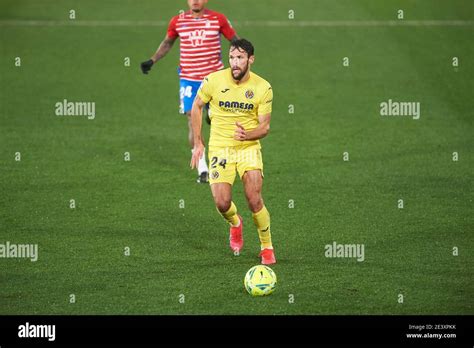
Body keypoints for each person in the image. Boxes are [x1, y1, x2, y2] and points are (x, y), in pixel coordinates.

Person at [190, 39, 276, 265]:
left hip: (248, 147)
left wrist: (247, 135)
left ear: (251, 60)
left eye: (240, 58)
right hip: (220, 147)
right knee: (222, 203)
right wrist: (198, 143)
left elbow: (264, 127)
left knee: (254, 198)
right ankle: (235, 224)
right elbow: (197, 106)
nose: (235, 63)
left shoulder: (263, 87)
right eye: (231, 58)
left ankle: (266, 246)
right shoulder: (213, 80)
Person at [141, 0, 239, 183]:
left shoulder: (218, 19)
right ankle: (202, 168)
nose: (195, 1)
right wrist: (152, 60)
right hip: (189, 80)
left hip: (214, 79)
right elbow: (167, 43)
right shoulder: (177, 21)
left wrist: (241, 60)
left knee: (220, 119)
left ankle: (213, 117)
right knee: (191, 118)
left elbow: (235, 40)